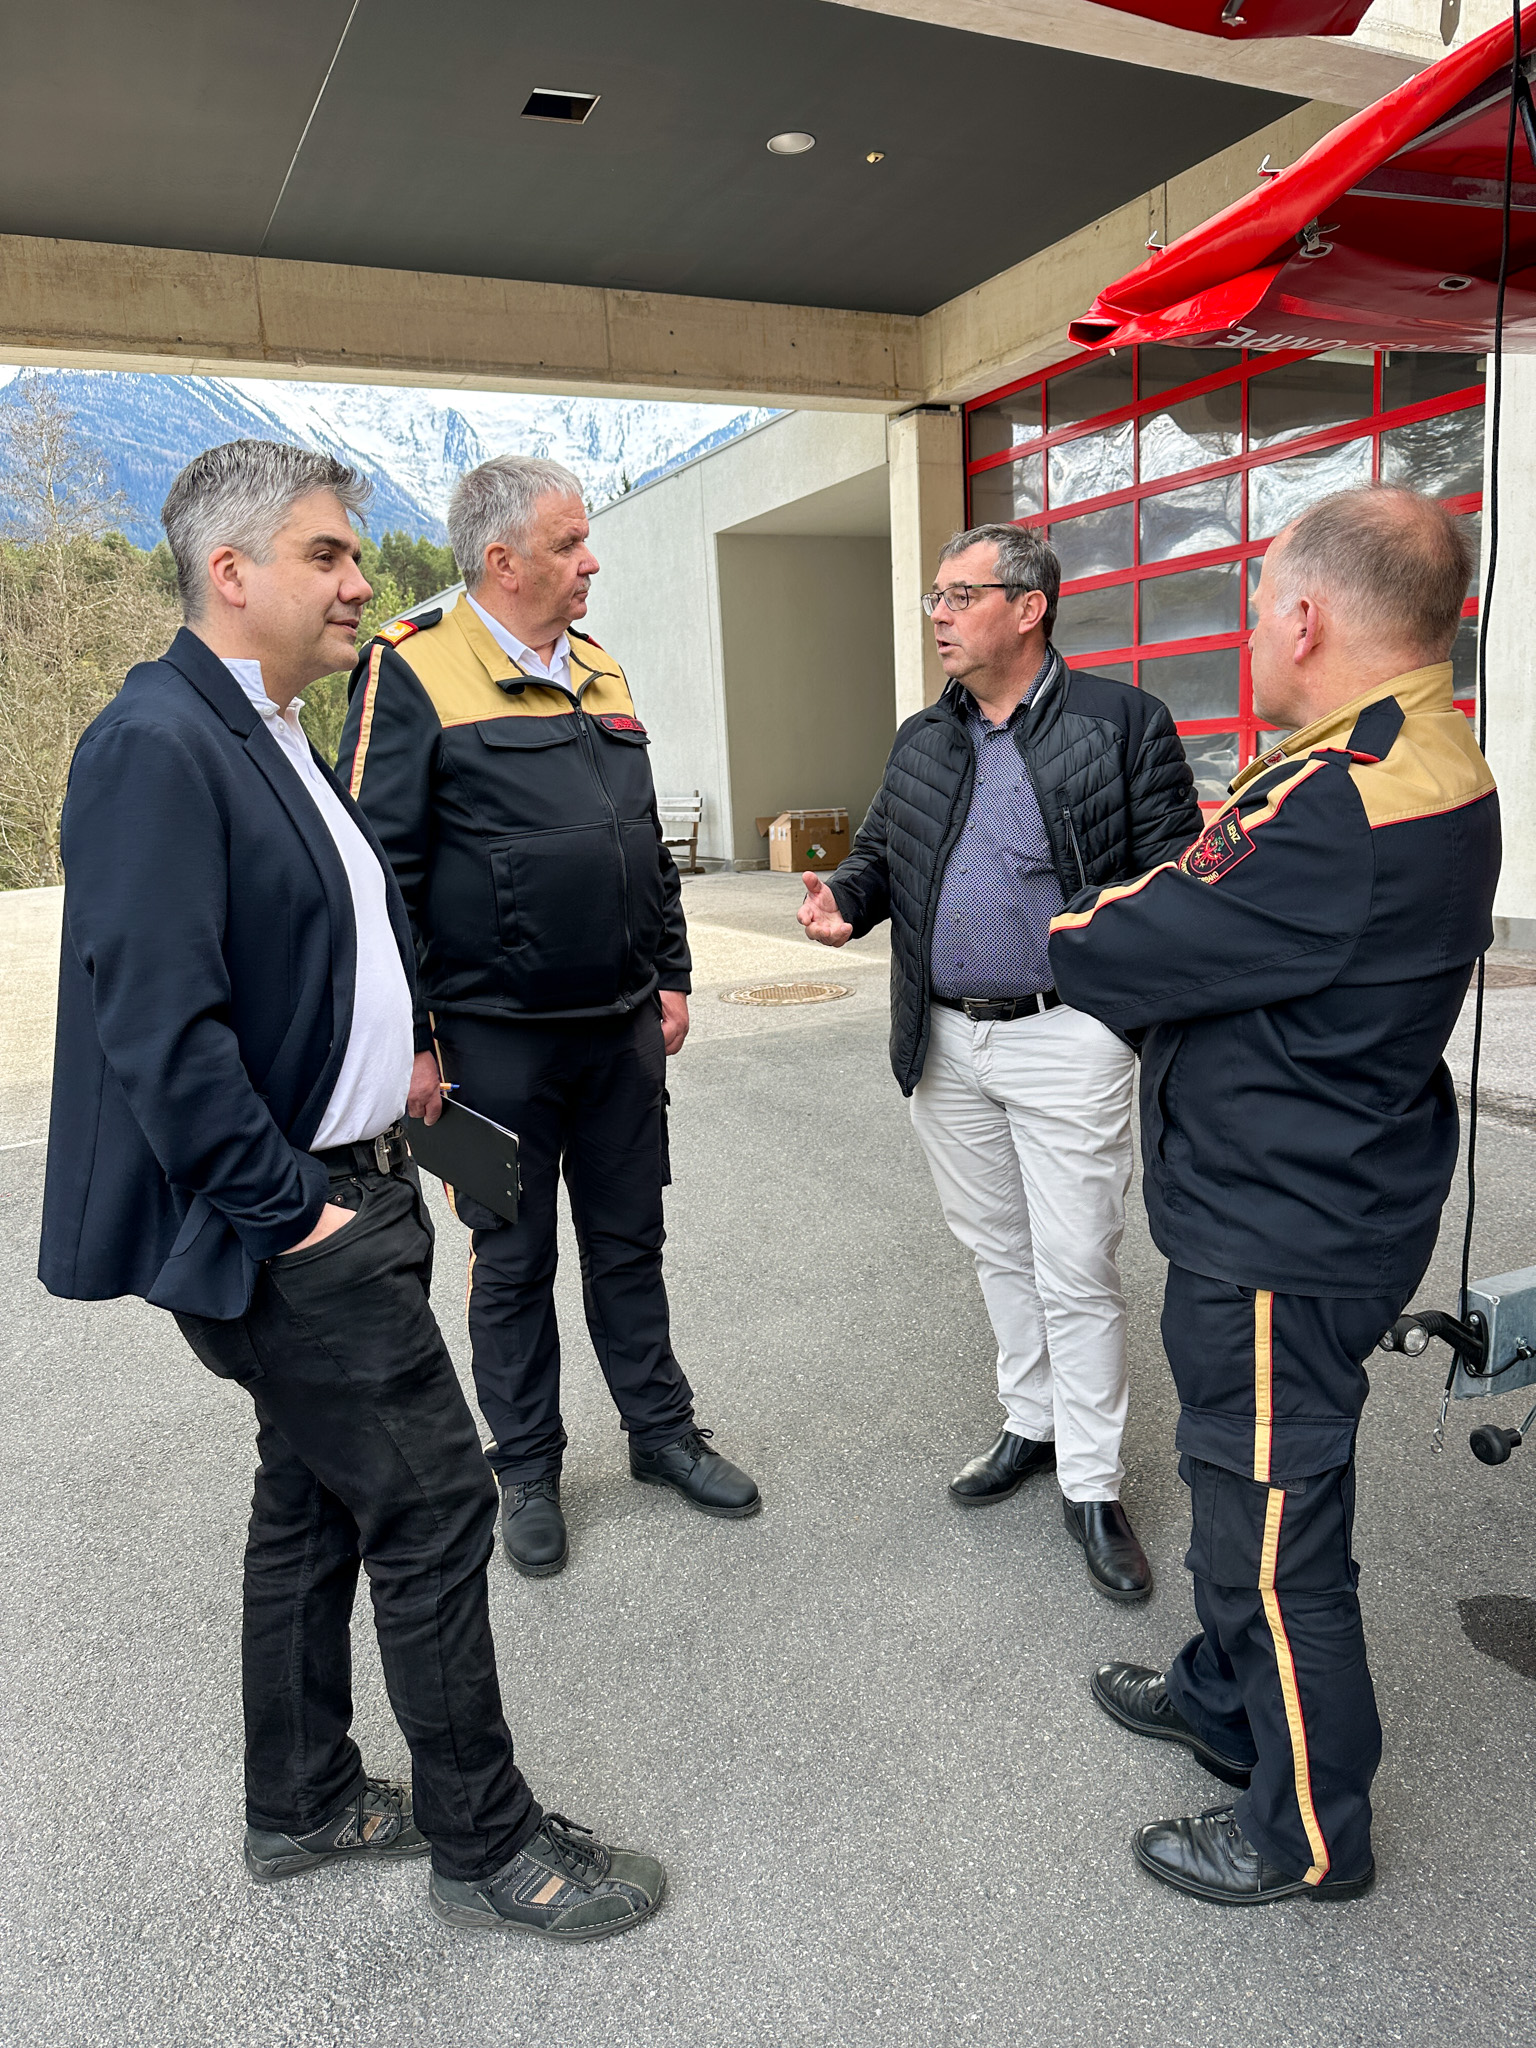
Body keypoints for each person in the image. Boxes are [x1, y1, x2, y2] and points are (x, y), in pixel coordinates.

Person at [39, 439, 665, 1940]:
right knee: (438, 1503)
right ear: (231, 572)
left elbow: (333, 949)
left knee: (314, 1499)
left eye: (354, 554)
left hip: (362, 1175)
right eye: (326, 553)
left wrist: (407, 1075)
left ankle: (303, 1799)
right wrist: (297, 1214)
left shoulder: (269, 729)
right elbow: (161, 1031)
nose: (359, 582)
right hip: (298, 1220)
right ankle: (490, 1846)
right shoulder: (156, 743)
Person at [1048, 484, 1498, 1904]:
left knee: (1271, 1531)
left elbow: (1125, 942)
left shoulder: (1333, 800)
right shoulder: (1432, 752)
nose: (1249, 632)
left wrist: (1063, 915)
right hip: (1338, 1190)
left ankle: (1306, 1828)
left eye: (1255, 608)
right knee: (1249, 1480)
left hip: (1278, 1225)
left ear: (1305, 617)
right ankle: (1219, 1694)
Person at [338, 454, 758, 1578]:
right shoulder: (411, 669)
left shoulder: (599, 668)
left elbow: (642, 847)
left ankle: (661, 1434)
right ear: (503, 559)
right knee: (512, 1259)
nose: (591, 561)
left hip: (618, 1030)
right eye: (570, 544)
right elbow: (376, 876)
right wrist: (409, 1040)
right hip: (489, 1046)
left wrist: (671, 971)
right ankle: (525, 1467)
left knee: (631, 1243)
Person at [799, 522, 1201, 1601]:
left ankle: (1093, 1481)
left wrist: (1116, 1018)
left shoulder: (1124, 723)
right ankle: (1032, 1421)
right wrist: (846, 902)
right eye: (935, 596)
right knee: (996, 1247)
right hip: (945, 1037)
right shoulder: (924, 736)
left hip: (1068, 1033)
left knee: (1076, 1262)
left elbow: (1173, 877)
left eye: (959, 595)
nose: (938, 614)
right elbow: (882, 855)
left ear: (1028, 607)